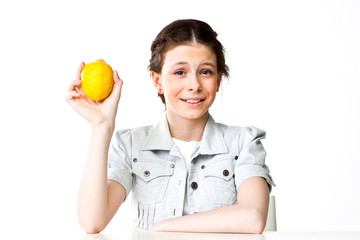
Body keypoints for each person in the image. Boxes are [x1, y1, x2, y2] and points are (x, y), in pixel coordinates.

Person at [66, 19, 275, 234]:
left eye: (205, 72)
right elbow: (92, 222)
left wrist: (165, 228)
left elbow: (253, 217)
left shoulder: (244, 142)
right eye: (180, 72)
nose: (194, 85)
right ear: (157, 81)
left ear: (218, 80)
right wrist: (102, 125)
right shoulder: (130, 144)